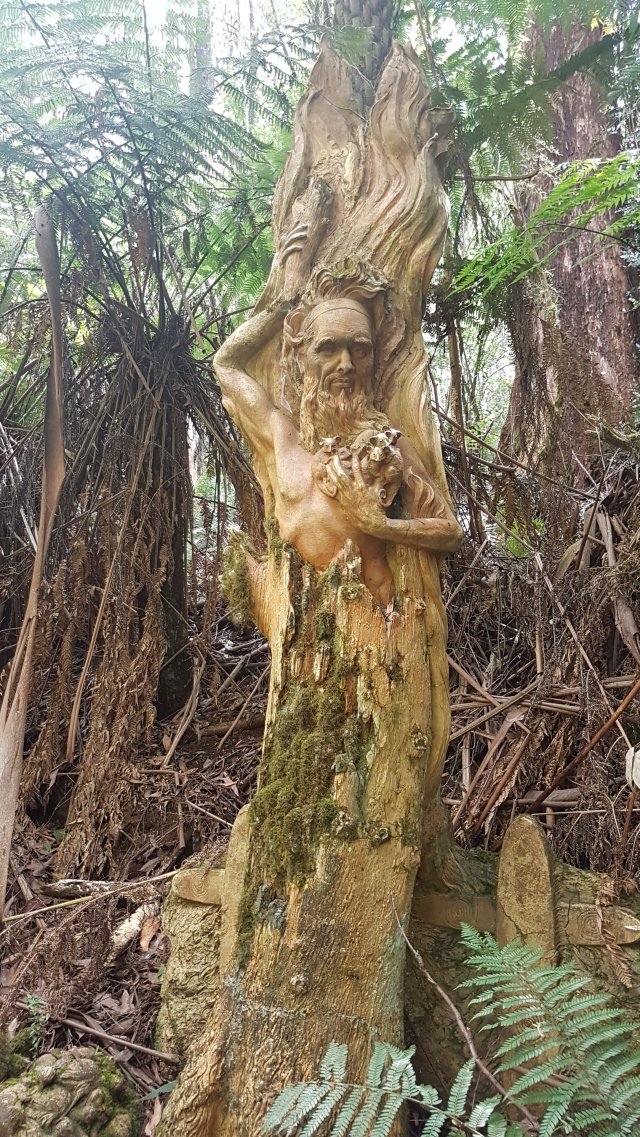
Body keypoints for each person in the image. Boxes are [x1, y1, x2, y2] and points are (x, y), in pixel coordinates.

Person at [213, 277, 462, 608]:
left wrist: (382, 526)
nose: (346, 365)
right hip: (297, 623)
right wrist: (285, 302)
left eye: (360, 350)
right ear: (302, 355)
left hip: (374, 620)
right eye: (328, 348)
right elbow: (226, 364)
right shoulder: (281, 435)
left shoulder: (388, 446)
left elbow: (450, 532)